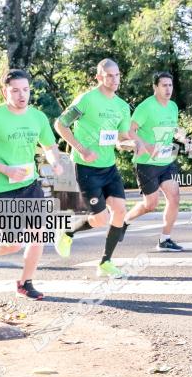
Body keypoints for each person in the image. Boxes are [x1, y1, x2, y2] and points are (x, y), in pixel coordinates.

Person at [0, 69, 64, 300]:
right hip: (2, 187)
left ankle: (25, 283)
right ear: (5, 92)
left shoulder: (38, 117)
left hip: (30, 184)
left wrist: (55, 163)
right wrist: (6, 169)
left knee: (38, 234)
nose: (22, 95)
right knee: (12, 244)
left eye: (25, 90)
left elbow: (49, 147)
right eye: (15, 91)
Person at [53, 58, 139, 278]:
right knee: (100, 219)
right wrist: (81, 149)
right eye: (109, 75)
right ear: (99, 77)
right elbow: (60, 124)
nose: (115, 79)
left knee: (120, 210)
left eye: (117, 75)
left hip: (109, 167)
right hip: (86, 167)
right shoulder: (87, 100)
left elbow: (120, 138)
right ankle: (68, 232)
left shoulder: (121, 106)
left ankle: (105, 262)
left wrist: (133, 145)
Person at [122, 71, 188, 252]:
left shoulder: (173, 106)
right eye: (164, 85)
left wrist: (181, 136)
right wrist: (147, 146)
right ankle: (124, 221)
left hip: (166, 161)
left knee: (174, 196)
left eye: (170, 85)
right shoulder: (146, 107)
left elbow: (173, 127)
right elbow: (130, 131)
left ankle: (165, 239)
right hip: (146, 162)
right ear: (155, 87)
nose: (168, 89)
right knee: (150, 204)